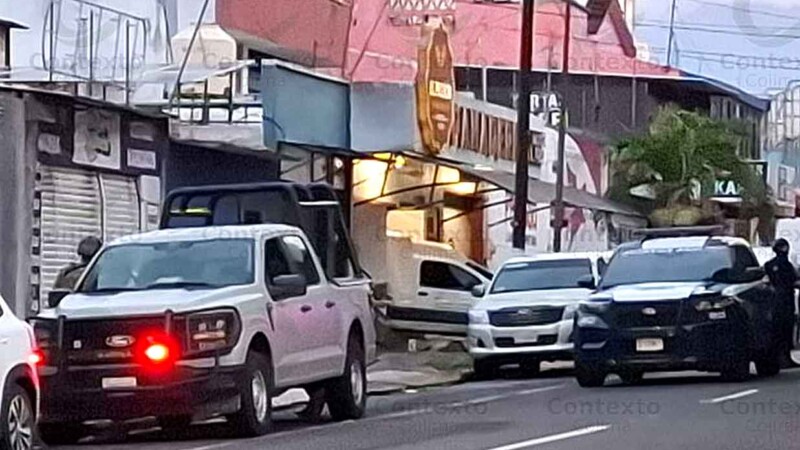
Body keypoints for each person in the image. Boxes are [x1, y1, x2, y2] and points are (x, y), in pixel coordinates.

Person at [765, 238, 798, 366]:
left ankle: (780, 357)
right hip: (785, 300)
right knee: (785, 329)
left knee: (778, 330)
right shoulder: (786, 265)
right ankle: (784, 358)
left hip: (774, 301)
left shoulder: (769, 265)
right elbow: (792, 280)